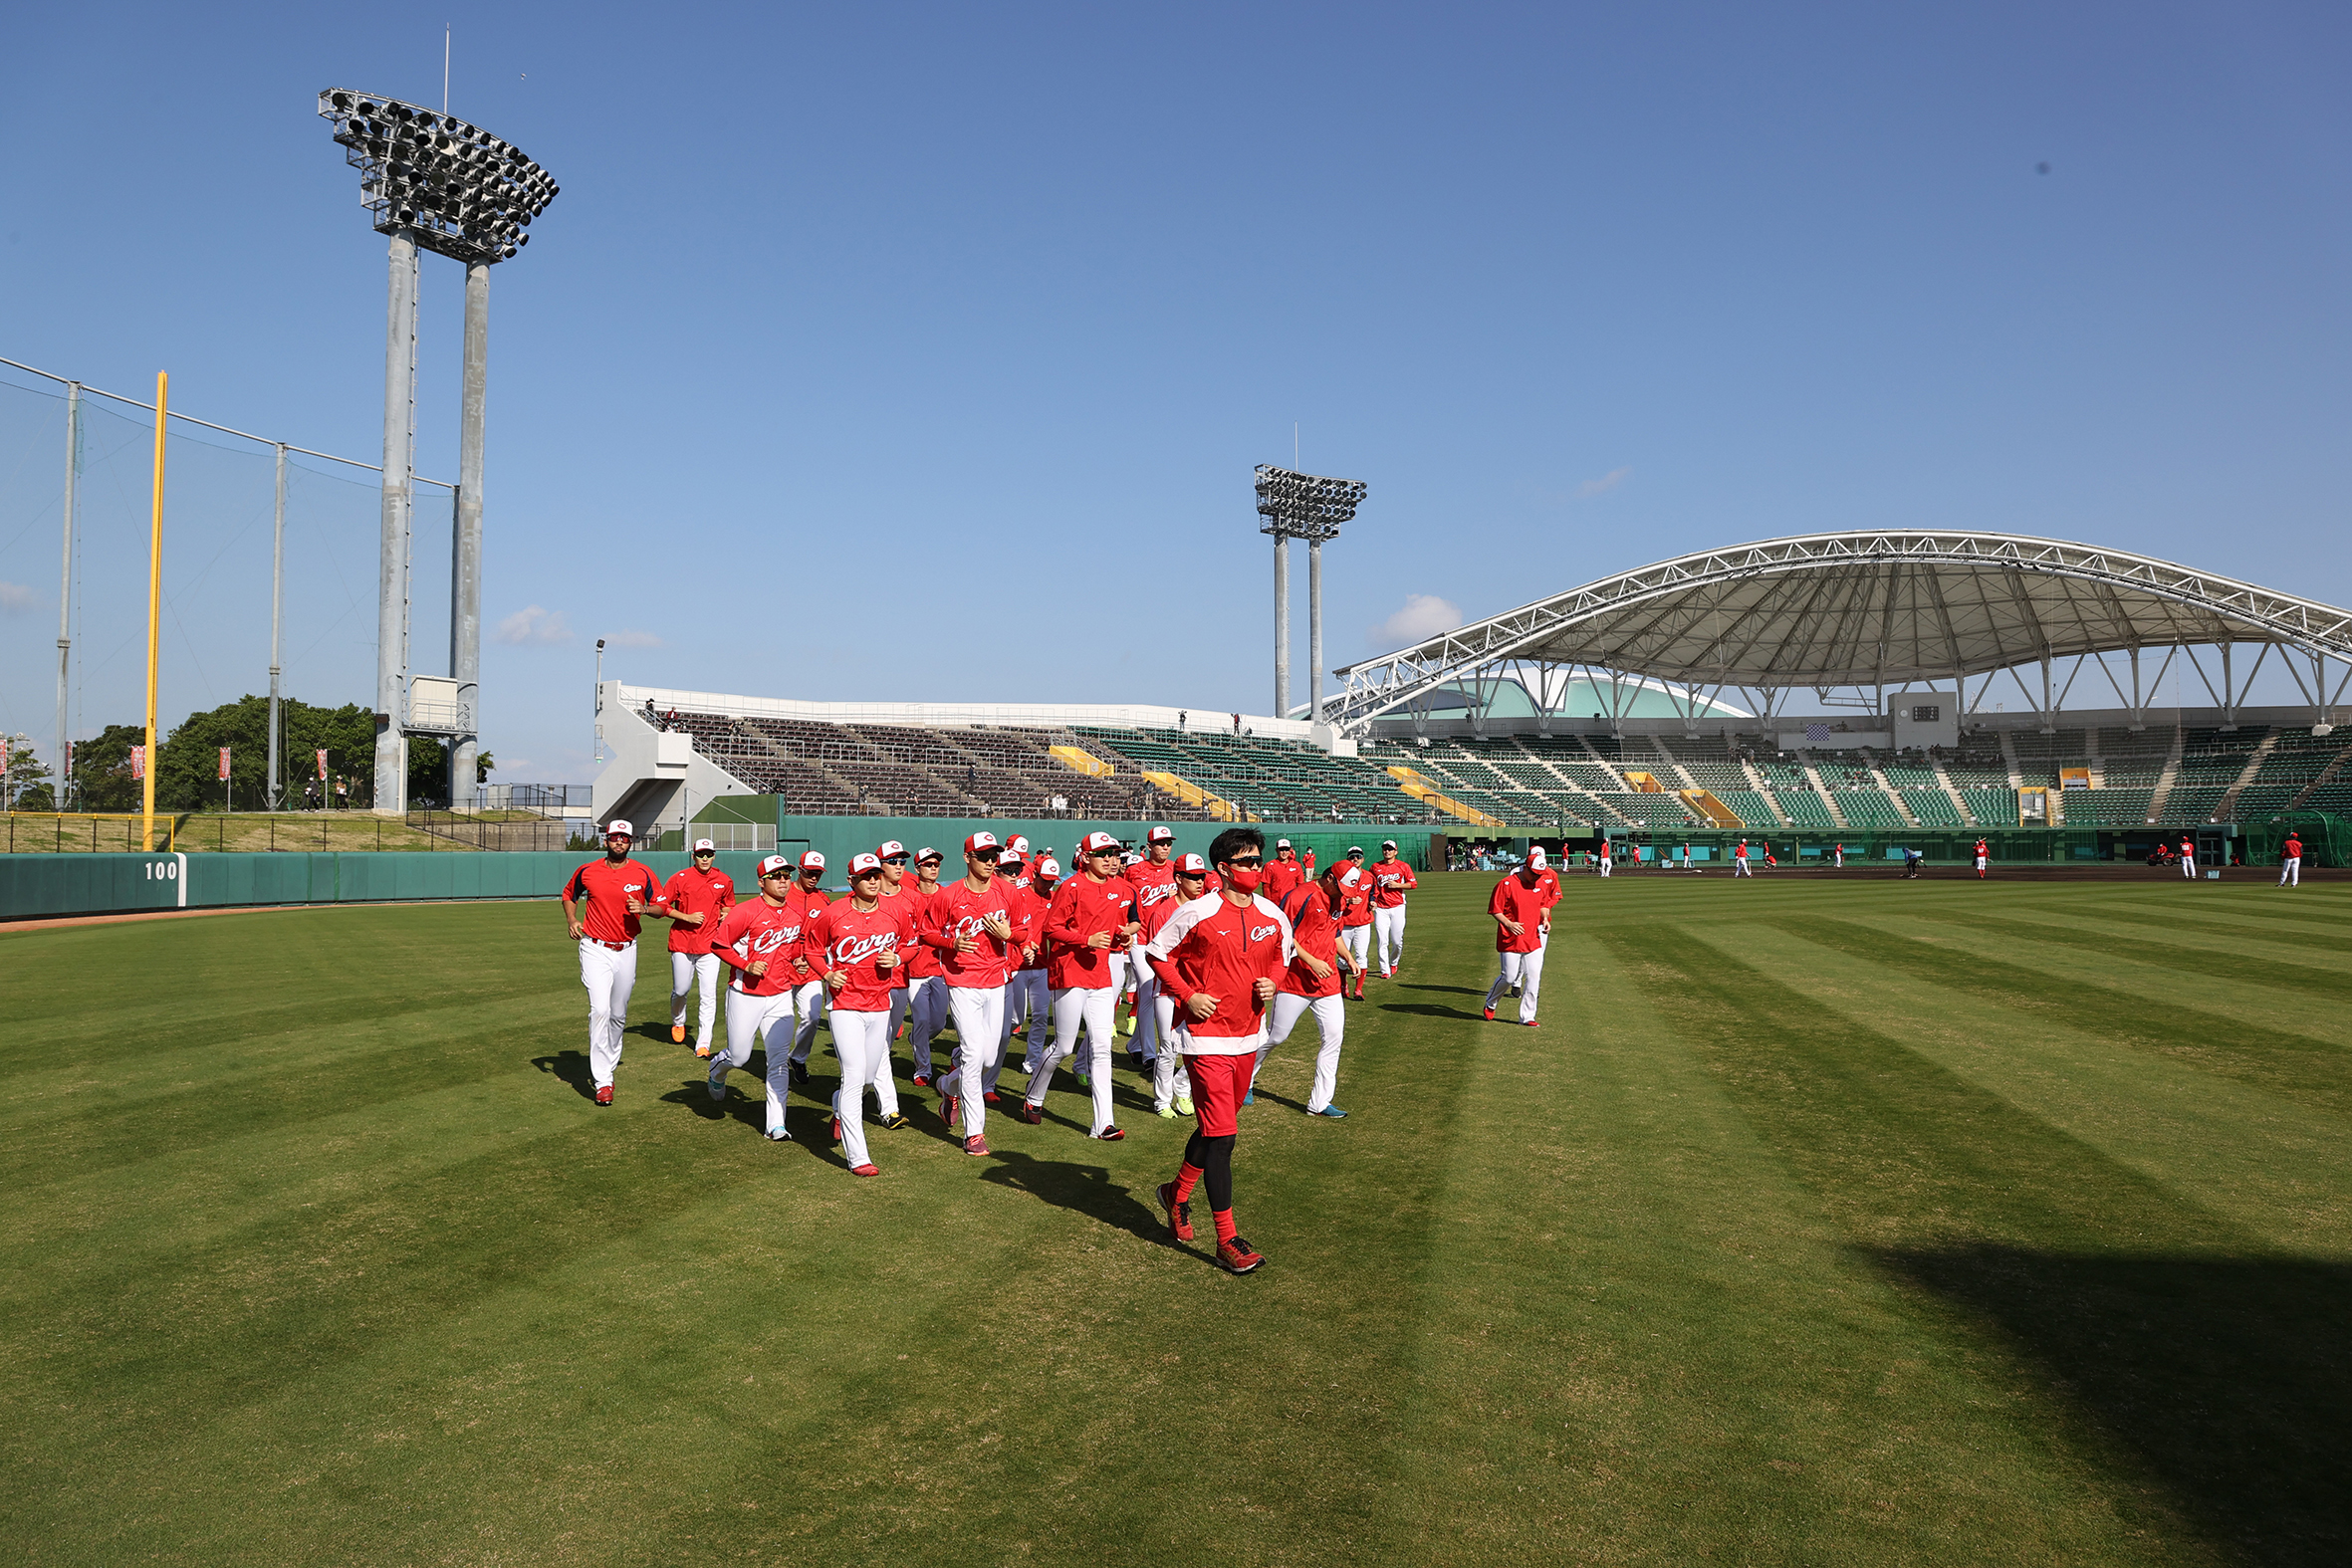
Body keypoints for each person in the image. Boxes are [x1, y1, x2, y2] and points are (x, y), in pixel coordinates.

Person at [1145, 826, 1293, 1274]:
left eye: (1259, 859)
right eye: (1247, 862)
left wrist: (1276, 982)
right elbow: (1156, 954)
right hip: (1206, 1038)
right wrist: (1187, 995)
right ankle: (1227, 1240)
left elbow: (1282, 956)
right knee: (1224, 1138)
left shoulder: (1273, 913)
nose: (1258, 868)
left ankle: (1176, 1193)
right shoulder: (1198, 911)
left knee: (1215, 1131)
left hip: (1250, 1036)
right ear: (1224, 869)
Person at [801, 852, 917, 1177]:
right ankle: (858, 1157)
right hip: (844, 1006)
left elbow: (912, 944)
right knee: (854, 1076)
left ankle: (839, 1105)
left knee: (867, 1078)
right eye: (866, 876)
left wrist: (899, 959)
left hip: (880, 1005)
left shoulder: (895, 912)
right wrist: (825, 973)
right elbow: (811, 948)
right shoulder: (832, 913)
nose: (873, 880)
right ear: (852, 881)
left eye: (876, 875)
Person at [1023, 830, 1140, 1138]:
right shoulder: (1071, 887)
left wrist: (1123, 934)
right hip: (1070, 972)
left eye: (1112, 853)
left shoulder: (1119, 887)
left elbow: (1118, 924)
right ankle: (1033, 1096)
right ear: (1086, 857)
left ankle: (1103, 1124)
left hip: (1100, 974)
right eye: (1102, 854)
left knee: (1102, 1046)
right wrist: (1085, 939)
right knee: (1063, 1046)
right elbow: (1051, 928)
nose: (1109, 859)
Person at [922, 831, 1024, 1155]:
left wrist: (1010, 934)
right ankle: (974, 1133)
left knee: (988, 1058)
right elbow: (926, 931)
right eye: (983, 856)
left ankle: (946, 1085)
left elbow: (1023, 931)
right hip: (961, 980)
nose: (991, 861)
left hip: (996, 980)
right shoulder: (948, 895)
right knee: (972, 1053)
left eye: (994, 855)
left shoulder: (1008, 892)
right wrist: (951, 943)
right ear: (967, 858)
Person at [561, 818, 675, 1106]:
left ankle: (609, 1063)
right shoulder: (588, 870)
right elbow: (569, 894)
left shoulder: (643, 872)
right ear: (606, 840)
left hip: (626, 949)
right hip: (594, 947)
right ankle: (603, 1080)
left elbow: (662, 907)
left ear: (631, 841)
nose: (619, 842)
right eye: (614, 837)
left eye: (624, 838)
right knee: (599, 1009)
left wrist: (645, 908)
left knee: (618, 1014)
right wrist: (573, 919)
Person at [705, 854, 813, 1142]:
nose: (782, 880)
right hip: (745, 994)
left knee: (777, 1060)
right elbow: (718, 944)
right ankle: (717, 1070)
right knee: (739, 1057)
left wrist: (798, 962)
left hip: (780, 994)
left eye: (786, 875)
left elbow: (791, 951)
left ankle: (776, 1124)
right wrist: (746, 965)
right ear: (761, 882)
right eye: (775, 876)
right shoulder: (745, 911)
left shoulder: (794, 914)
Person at [1265, 857, 1350, 1117]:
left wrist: (1348, 956)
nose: (1344, 896)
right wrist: (1311, 961)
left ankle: (1320, 1103)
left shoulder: (1340, 898)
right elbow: (1282, 934)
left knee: (1334, 1038)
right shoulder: (1300, 896)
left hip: (1328, 981)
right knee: (1275, 1037)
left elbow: (1334, 933)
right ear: (1330, 878)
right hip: (1295, 980)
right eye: (1342, 889)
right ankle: (1244, 1079)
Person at [1127, 828, 1195, 1117]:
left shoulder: (1202, 907)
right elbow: (1159, 954)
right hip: (1152, 956)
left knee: (1194, 1045)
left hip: (1192, 984)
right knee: (1168, 1044)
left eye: (1202, 876)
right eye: (1161, 843)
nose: (1199, 882)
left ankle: (1181, 1088)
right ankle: (1159, 1095)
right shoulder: (1138, 874)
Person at [663, 838, 735, 1057]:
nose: (705, 858)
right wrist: (685, 916)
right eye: (701, 854)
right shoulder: (680, 878)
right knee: (681, 989)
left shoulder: (724, 880)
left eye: (709, 854)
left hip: (710, 945)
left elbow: (730, 905)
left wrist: (727, 912)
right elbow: (662, 905)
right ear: (693, 856)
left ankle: (703, 1042)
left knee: (708, 994)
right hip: (682, 942)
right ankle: (678, 1021)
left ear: (714, 855)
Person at [781, 852, 833, 1084]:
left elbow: (827, 938)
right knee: (781, 1018)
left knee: (812, 1017)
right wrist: (793, 957)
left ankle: (798, 1058)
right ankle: (778, 1062)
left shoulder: (823, 900)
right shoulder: (782, 892)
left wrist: (813, 958)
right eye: (809, 872)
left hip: (811, 967)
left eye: (818, 873)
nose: (814, 877)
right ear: (799, 871)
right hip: (781, 967)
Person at [1482, 848, 1548, 1027]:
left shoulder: (1540, 885)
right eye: (1535, 874)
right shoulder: (1506, 884)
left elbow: (1543, 904)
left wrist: (1544, 919)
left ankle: (1527, 1017)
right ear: (1525, 868)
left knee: (1534, 977)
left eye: (1540, 875)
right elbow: (1495, 910)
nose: (1537, 878)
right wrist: (1509, 924)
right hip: (1510, 938)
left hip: (1533, 938)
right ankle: (1491, 1002)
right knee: (1509, 977)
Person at [1002, 846, 1051, 1083]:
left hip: (1042, 965)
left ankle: (1032, 1062)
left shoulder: (1056, 897)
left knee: (1041, 1016)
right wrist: (1026, 945)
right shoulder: (1019, 896)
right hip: (1018, 965)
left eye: (1052, 881)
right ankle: (965, 1055)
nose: (1048, 885)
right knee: (1015, 1020)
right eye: (1044, 880)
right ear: (1035, 876)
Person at [901, 847, 950, 1084]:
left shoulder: (947, 895)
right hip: (915, 969)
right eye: (928, 864)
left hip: (941, 969)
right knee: (920, 1019)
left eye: (936, 864)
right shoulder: (908, 896)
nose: (933, 868)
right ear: (917, 868)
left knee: (938, 1022)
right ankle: (923, 1069)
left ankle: (917, 1038)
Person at [1368, 840, 1416, 977]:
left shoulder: (1403, 866)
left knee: (1397, 940)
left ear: (1396, 851)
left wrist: (1397, 885)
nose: (1387, 851)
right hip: (1381, 908)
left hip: (1398, 906)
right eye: (1385, 849)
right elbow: (1372, 886)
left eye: (1390, 849)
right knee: (1382, 940)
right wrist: (1372, 900)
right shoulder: (1375, 867)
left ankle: (1394, 962)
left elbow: (1413, 884)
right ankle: (1385, 970)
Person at [1331, 859, 1372, 1000]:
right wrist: (1348, 901)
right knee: (1343, 959)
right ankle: (1343, 985)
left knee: (1361, 956)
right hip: (1345, 923)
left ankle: (1358, 990)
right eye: (1352, 856)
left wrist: (1373, 902)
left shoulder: (1369, 877)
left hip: (1363, 923)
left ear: (1363, 859)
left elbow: (1373, 893)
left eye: (1358, 856)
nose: (1356, 859)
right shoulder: (1341, 878)